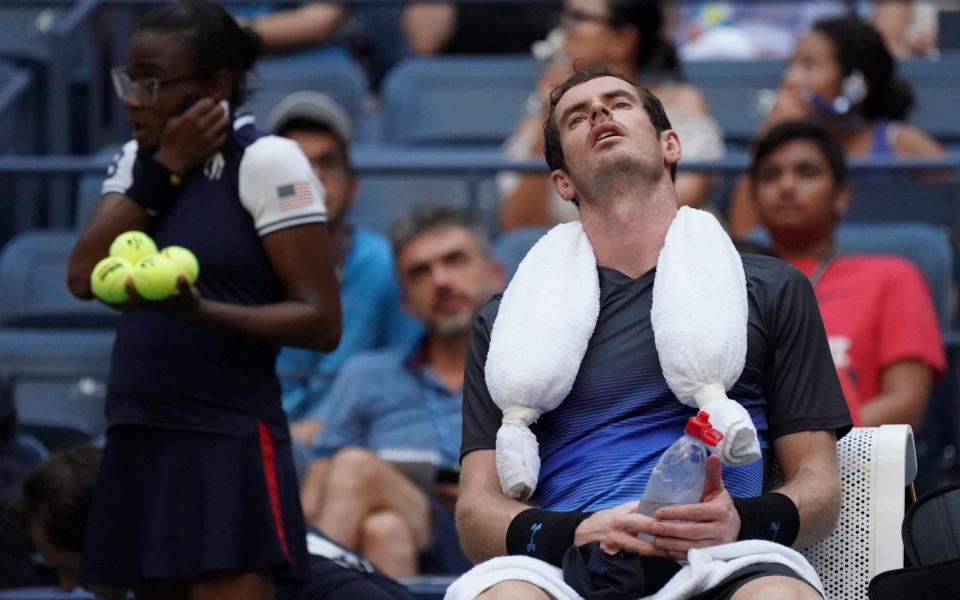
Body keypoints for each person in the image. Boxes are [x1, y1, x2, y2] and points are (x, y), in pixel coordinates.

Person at [456, 66, 851, 599]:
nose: (599, 113)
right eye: (577, 117)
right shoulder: (506, 322)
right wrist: (576, 530)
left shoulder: (771, 287)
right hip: (567, 562)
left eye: (618, 103)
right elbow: (475, 511)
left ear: (670, 144)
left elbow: (821, 486)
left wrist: (739, 520)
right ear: (563, 182)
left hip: (723, 557)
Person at [65, 1, 342, 598]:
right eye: (128, 79)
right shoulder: (142, 161)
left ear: (217, 85)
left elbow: (321, 322)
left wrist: (202, 313)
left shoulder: (269, 160)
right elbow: (83, 274)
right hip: (137, 429)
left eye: (153, 82)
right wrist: (165, 168)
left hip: (226, 436)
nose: (133, 98)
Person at [299, 204, 503, 578]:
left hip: (500, 540)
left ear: (494, 275)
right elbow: (315, 497)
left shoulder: (534, 372)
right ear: (406, 302)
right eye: (420, 272)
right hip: (408, 540)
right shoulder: (365, 375)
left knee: (356, 467)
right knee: (384, 529)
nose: (440, 281)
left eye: (454, 260)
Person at [19, 444, 415, 600]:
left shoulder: (259, 576)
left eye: (69, 569)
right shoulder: (210, 549)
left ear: (112, 543)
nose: (68, 587)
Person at [750, 121, 945, 431]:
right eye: (770, 176)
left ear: (841, 195)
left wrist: (806, 443)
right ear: (755, 200)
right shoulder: (734, 279)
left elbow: (906, 406)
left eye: (806, 172)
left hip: (858, 464)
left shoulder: (893, 277)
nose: (786, 186)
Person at [267, 92, 422, 447]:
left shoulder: (386, 266)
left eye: (327, 163)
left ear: (354, 186)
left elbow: (404, 382)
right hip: (256, 453)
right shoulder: (240, 268)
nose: (312, 179)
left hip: (354, 448)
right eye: (295, 167)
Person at [499, 0, 724, 231]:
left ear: (622, 40)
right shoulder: (539, 119)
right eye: (563, 15)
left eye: (578, 17)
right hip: (571, 259)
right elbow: (519, 225)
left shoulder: (681, 103)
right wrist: (549, 121)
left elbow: (683, 196)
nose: (562, 29)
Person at [728, 15, 945, 237]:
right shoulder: (783, 150)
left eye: (808, 65)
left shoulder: (902, 142)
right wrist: (767, 135)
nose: (789, 79)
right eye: (791, 65)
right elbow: (745, 233)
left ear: (854, 84)